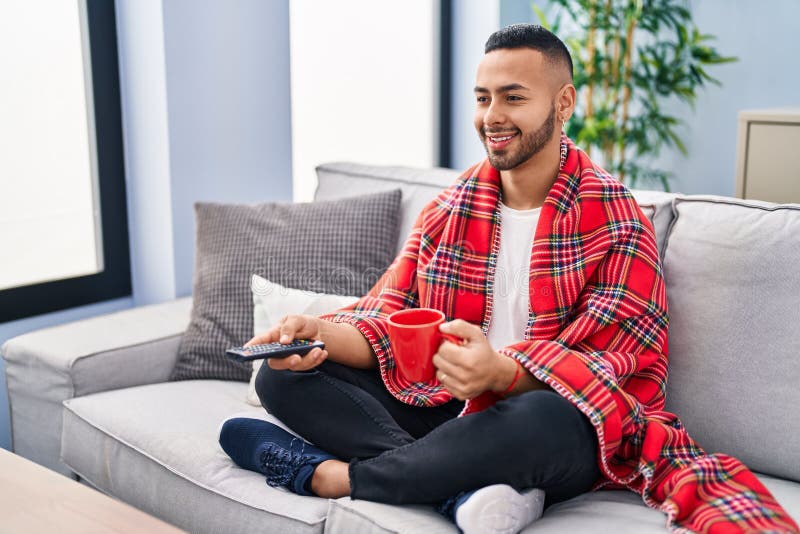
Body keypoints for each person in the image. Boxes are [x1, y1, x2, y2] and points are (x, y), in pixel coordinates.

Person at [220, 24, 797, 533]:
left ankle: (328, 477)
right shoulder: (448, 213)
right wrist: (316, 334)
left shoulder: (618, 222)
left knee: (540, 420)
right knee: (280, 381)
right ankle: (461, 489)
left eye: (514, 97)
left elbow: (613, 371)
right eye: (483, 98)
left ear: (563, 102)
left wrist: (503, 372)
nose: (492, 116)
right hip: (448, 409)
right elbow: (386, 321)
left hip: (553, 419)